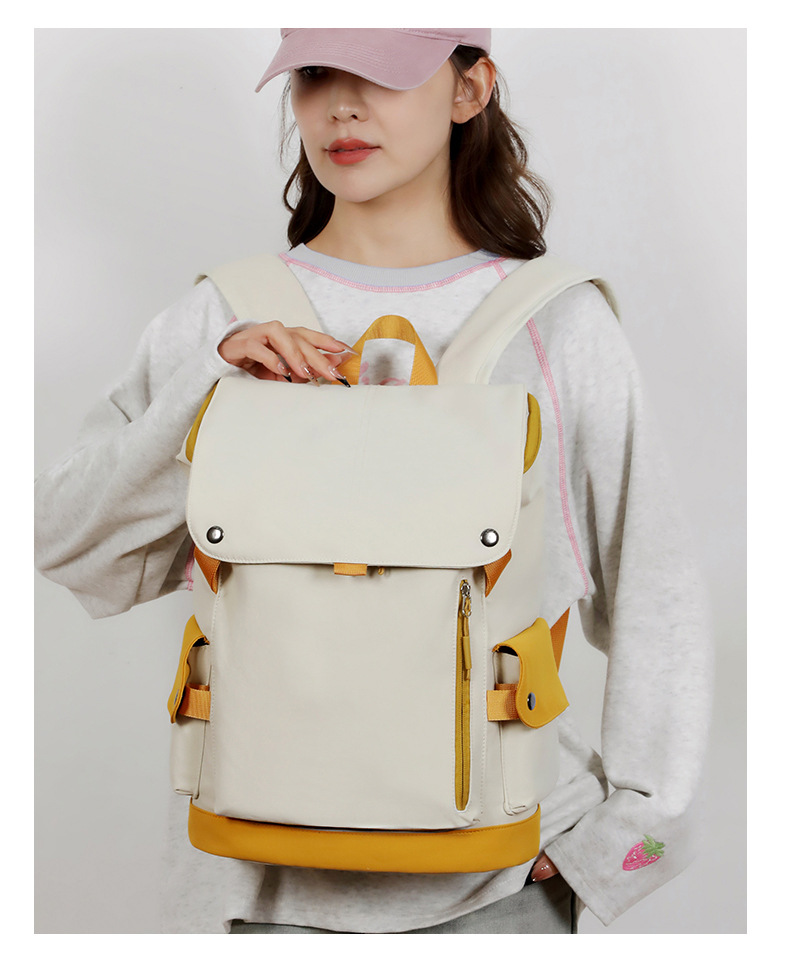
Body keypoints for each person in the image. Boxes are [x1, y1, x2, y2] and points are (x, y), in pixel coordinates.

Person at [34, 28, 712, 934]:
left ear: (470, 89)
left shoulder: (558, 326)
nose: (342, 106)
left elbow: (656, 591)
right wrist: (207, 386)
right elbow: (66, 546)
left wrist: (628, 839)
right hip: (251, 893)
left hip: (501, 889)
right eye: (315, 75)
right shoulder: (221, 319)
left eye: (382, 75)